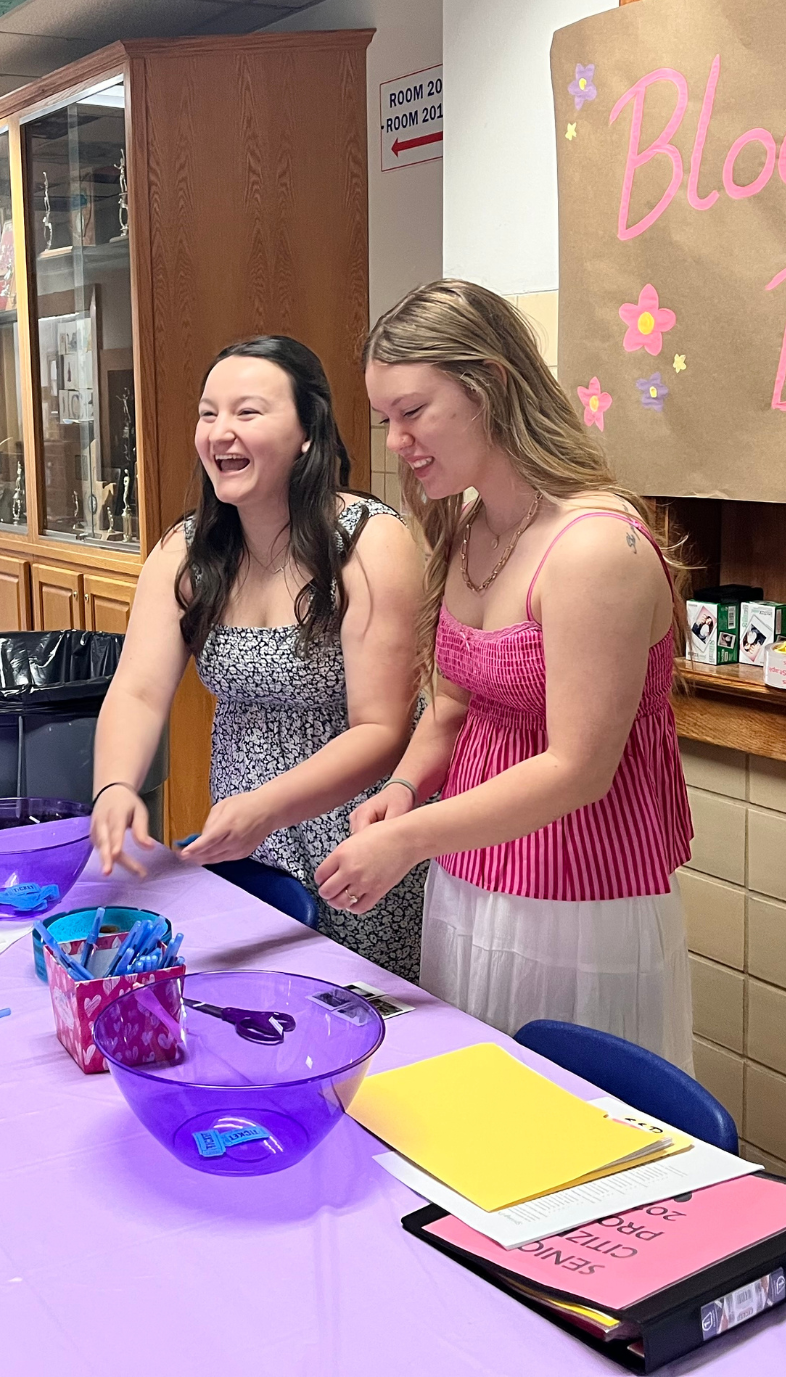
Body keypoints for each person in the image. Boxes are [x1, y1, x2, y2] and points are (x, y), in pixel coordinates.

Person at [316, 280, 696, 1069]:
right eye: (387, 419)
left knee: (574, 1136)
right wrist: (402, 792)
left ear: (489, 384)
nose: (396, 441)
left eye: (413, 412)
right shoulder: (468, 526)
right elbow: (452, 704)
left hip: (581, 895)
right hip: (471, 876)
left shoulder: (595, 548)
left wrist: (411, 840)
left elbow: (578, 768)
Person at [89, 335, 425, 979]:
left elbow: (383, 728)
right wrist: (114, 786)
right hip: (243, 836)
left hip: (355, 836)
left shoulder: (369, 541)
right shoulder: (187, 552)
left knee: (359, 1022)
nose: (221, 433)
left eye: (248, 412)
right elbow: (136, 690)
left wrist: (269, 805)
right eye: (208, 413)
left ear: (307, 431)